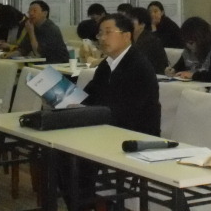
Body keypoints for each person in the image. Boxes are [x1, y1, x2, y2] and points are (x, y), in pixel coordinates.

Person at [60, 14, 160, 208]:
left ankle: (86, 205)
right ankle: (83, 205)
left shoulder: (139, 66)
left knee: (74, 159)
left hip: (135, 135)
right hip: (108, 129)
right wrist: (66, 98)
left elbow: (127, 112)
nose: (102, 38)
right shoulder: (107, 65)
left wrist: (88, 112)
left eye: (108, 32)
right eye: (100, 34)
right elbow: (90, 95)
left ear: (126, 36)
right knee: (59, 153)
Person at [167, 16, 211, 93]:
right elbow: (180, 65)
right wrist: (173, 70)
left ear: (201, 38)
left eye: (191, 43)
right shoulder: (189, 47)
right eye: (185, 42)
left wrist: (192, 75)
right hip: (200, 91)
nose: (188, 46)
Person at [128, 6, 168, 74]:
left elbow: (134, 62)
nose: (127, 24)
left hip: (155, 76)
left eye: (131, 21)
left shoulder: (149, 41)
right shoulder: (132, 38)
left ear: (142, 24)